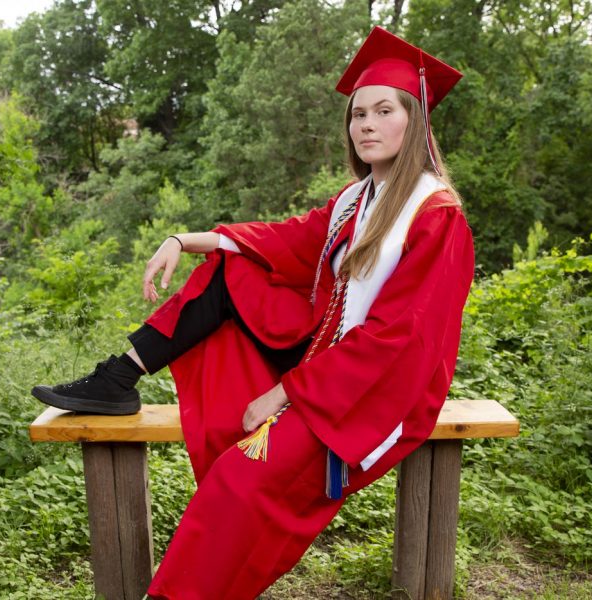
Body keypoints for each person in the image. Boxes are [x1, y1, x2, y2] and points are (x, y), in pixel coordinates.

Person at [31, 26, 474, 600]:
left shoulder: (435, 215)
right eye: (356, 113)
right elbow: (289, 240)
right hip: (328, 359)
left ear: (415, 121)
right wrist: (187, 239)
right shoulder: (355, 200)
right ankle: (120, 376)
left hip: (374, 390)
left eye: (382, 110)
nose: (364, 123)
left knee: (239, 478)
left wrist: (285, 392)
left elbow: (401, 340)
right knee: (229, 265)